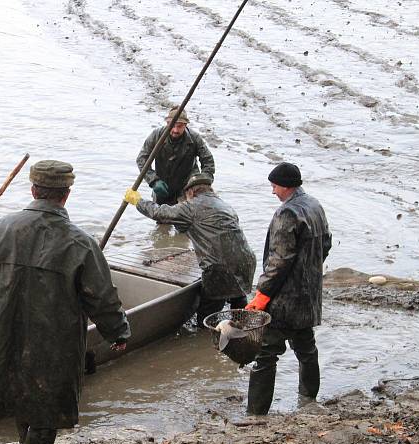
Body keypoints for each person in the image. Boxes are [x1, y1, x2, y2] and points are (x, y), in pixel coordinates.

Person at [0, 160, 131, 444]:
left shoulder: (2, 229)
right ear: (66, 195)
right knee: (45, 402)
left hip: (7, 335)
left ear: (34, 190)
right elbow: (102, 297)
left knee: (23, 396)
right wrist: (118, 332)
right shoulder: (80, 242)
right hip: (56, 339)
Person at [244, 162, 332, 415]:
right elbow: (326, 244)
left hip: (284, 301)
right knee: (306, 346)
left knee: (265, 354)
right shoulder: (314, 205)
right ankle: (308, 399)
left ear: (285, 186)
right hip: (309, 295)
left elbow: (278, 262)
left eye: (274, 186)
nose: (273, 192)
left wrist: (262, 295)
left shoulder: (287, 214)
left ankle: (256, 414)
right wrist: (309, 274)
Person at [124, 172, 256, 325]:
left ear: (190, 192)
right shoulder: (225, 205)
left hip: (220, 270)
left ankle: (206, 339)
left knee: (207, 317)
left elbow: (159, 213)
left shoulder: (191, 206)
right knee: (238, 302)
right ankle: (244, 328)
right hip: (246, 262)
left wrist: (138, 201)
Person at [137, 107, 215, 205]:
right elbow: (141, 159)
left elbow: (208, 161)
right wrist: (153, 180)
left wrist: (202, 183)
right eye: (172, 125)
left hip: (187, 187)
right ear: (167, 123)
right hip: (162, 186)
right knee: (161, 216)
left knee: (186, 217)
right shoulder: (156, 136)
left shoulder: (195, 138)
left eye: (179, 126)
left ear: (185, 125)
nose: (175, 130)